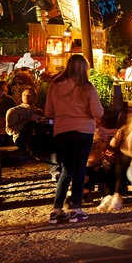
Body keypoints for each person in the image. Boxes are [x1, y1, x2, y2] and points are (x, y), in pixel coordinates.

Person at [45, 54, 104, 223]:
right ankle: (76, 209)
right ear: (84, 68)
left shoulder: (55, 85)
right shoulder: (87, 87)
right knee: (79, 170)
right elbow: (98, 113)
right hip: (83, 131)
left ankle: (57, 210)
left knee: (66, 170)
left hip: (61, 131)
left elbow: (48, 112)